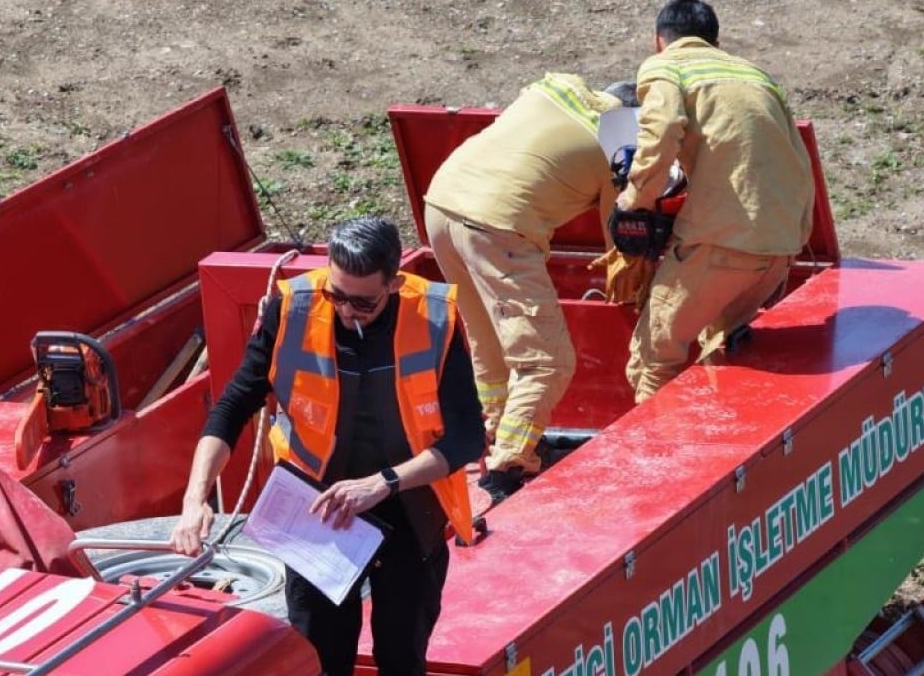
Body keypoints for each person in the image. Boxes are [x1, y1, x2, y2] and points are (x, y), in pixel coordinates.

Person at [170, 216, 484, 676]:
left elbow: (467, 437)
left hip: (409, 509)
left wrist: (383, 484)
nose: (346, 311)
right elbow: (234, 406)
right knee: (319, 659)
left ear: (394, 284)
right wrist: (194, 497)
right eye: (336, 295)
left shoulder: (435, 318)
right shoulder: (292, 308)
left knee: (401, 657)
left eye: (363, 302)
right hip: (317, 516)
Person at [422, 73, 640, 503]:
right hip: (498, 224)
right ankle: (506, 471)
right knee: (546, 362)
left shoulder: (555, 87)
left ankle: (501, 435)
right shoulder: (621, 136)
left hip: (442, 205)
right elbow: (621, 238)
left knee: (489, 343)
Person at [616, 0, 815, 403]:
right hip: (779, 247)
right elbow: (796, 156)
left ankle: (661, 459)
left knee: (653, 358)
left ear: (659, 40)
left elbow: (663, 130)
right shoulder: (757, 75)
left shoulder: (666, 66)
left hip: (721, 242)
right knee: (722, 351)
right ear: (714, 40)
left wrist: (633, 203)